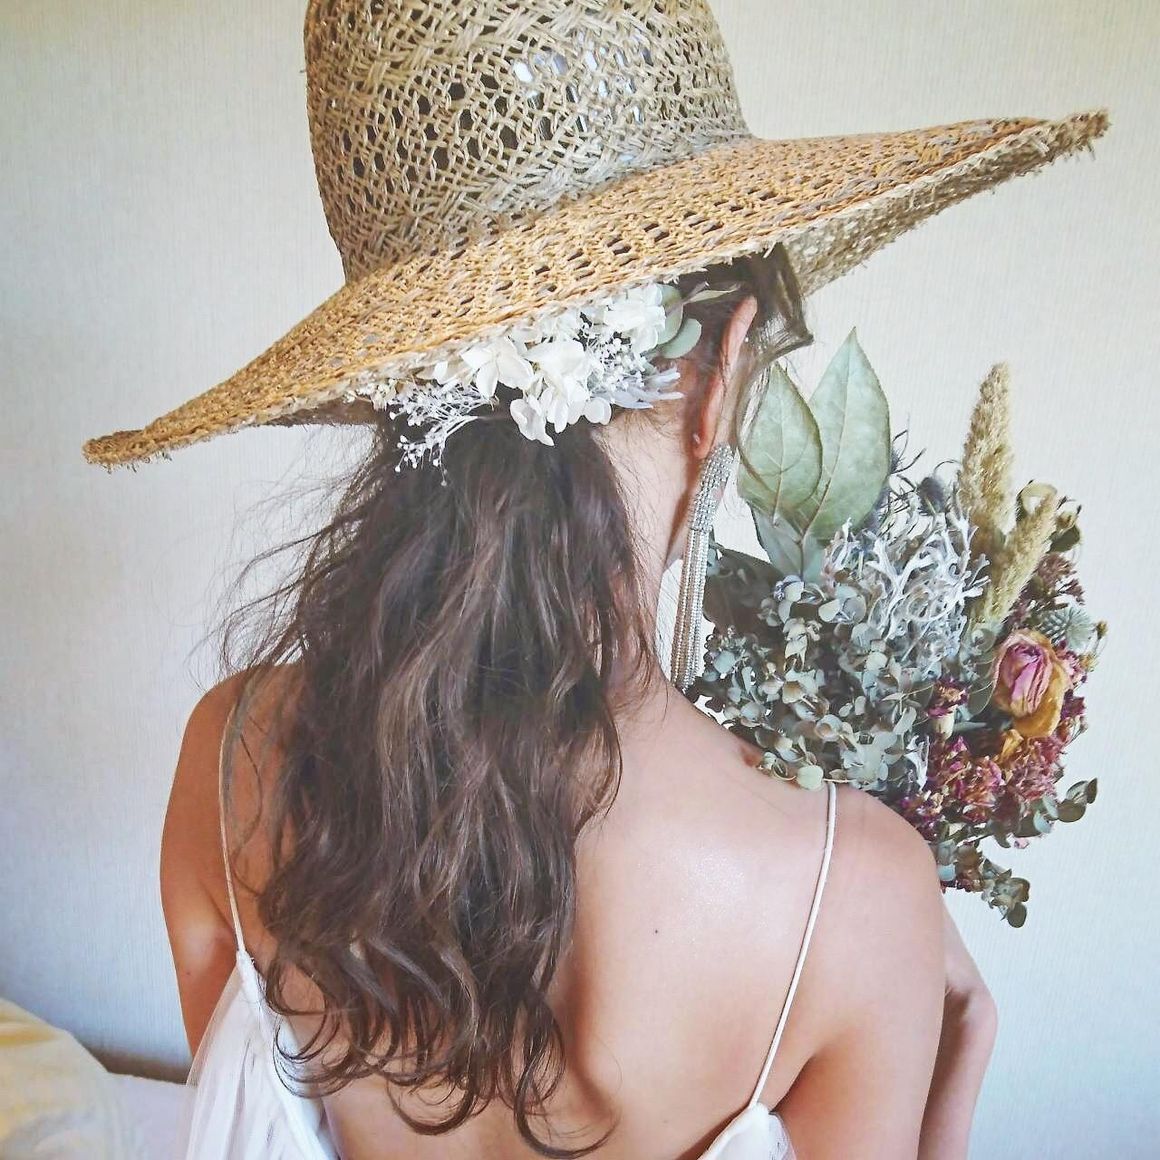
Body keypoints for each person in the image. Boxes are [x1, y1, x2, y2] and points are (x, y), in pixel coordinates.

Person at [85, 2, 1105, 1156]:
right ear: (722, 370)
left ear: (393, 381)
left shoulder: (229, 758)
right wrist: (956, 1054)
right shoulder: (854, 897)